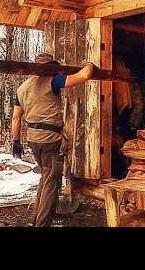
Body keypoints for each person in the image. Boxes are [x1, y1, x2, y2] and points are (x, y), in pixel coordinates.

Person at [11, 52, 94, 227]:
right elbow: (84, 75)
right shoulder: (53, 81)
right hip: (49, 139)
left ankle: (34, 220)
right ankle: (43, 224)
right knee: (52, 182)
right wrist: (90, 64)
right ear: (49, 67)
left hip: (32, 139)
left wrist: (16, 141)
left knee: (45, 177)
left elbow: (16, 118)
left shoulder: (22, 88)